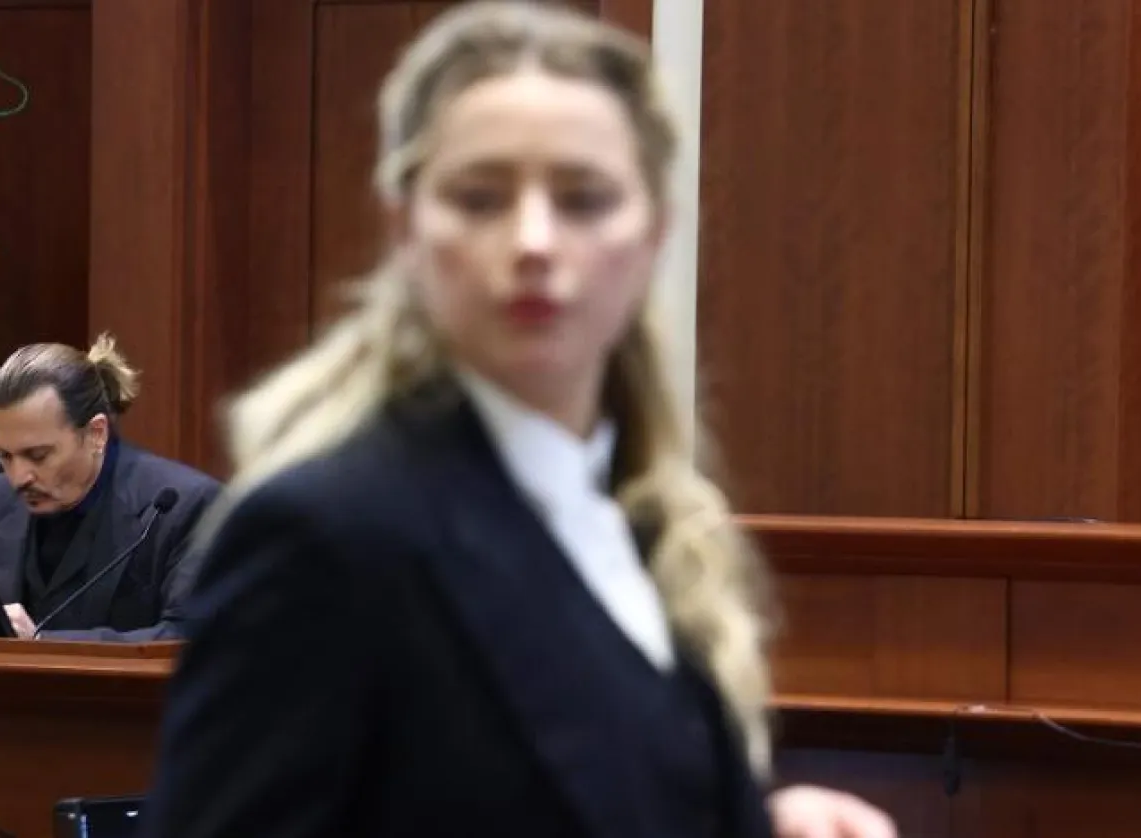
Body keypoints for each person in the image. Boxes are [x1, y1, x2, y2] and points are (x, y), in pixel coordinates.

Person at [140, 3, 896, 837]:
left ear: (653, 235)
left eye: (582, 199)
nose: (534, 240)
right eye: (480, 197)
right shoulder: (324, 534)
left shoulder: (643, 521)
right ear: (405, 229)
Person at [0, 334, 220, 641]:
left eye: (38, 456)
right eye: (5, 456)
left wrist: (42, 644)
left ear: (96, 434)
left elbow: (188, 638)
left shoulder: (184, 506)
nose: (18, 477)